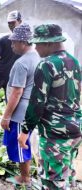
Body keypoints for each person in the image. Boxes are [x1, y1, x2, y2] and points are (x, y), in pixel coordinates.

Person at [18, 24, 82, 189]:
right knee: (67, 175)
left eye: (38, 44)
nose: (36, 48)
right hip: (75, 130)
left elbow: (37, 103)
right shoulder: (74, 62)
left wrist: (25, 131)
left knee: (52, 181)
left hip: (55, 135)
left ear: (48, 43)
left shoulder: (46, 64)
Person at [0, 23, 40, 185]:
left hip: (20, 112)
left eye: (14, 42)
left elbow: (17, 92)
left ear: (23, 42)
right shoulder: (37, 57)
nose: (12, 45)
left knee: (20, 144)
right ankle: (27, 175)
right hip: (31, 109)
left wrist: (6, 116)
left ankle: (25, 178)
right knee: (26, 142)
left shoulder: (22, 63)